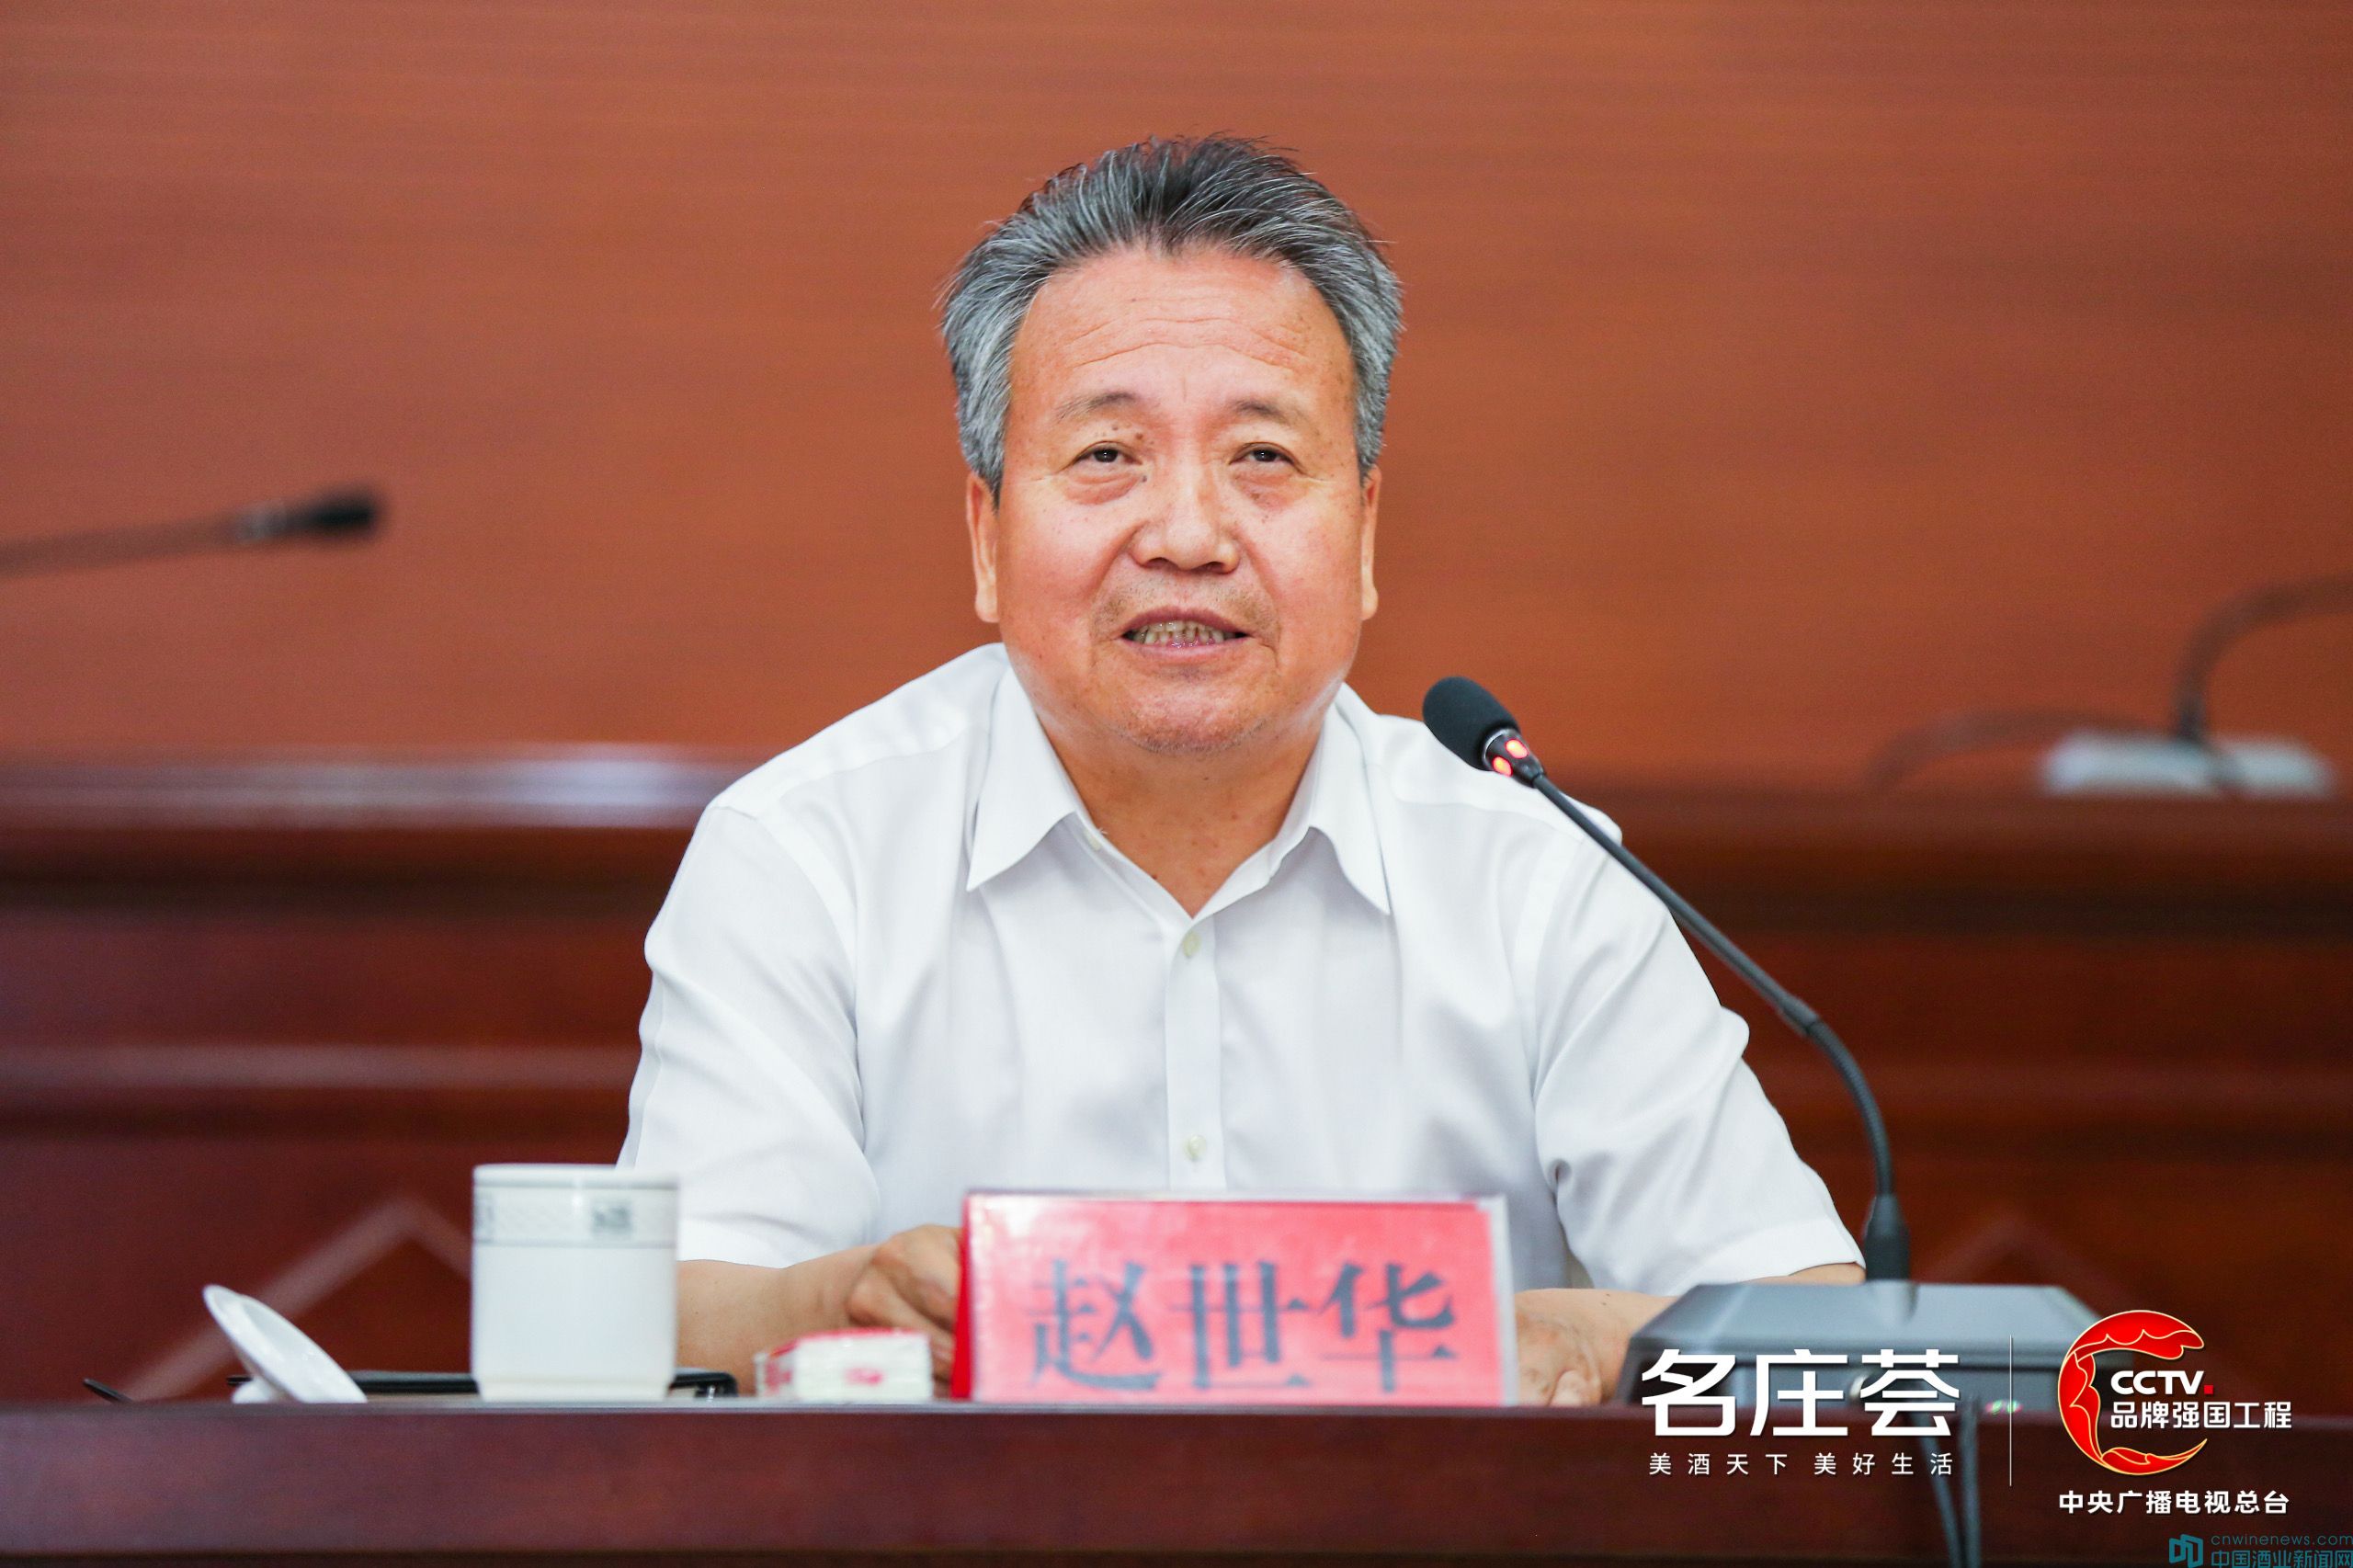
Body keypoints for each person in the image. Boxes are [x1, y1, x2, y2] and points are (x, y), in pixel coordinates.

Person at [618, 134, 1862, 1404]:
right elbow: (679, 1310)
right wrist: (841, 1302)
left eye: (1262, 456)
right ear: (987, 538)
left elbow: (1820, 1329)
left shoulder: (1537, 871)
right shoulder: (805, 856)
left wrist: (1590, 1341)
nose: (1188, 534)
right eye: (1108, 455)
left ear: (1364, 535)